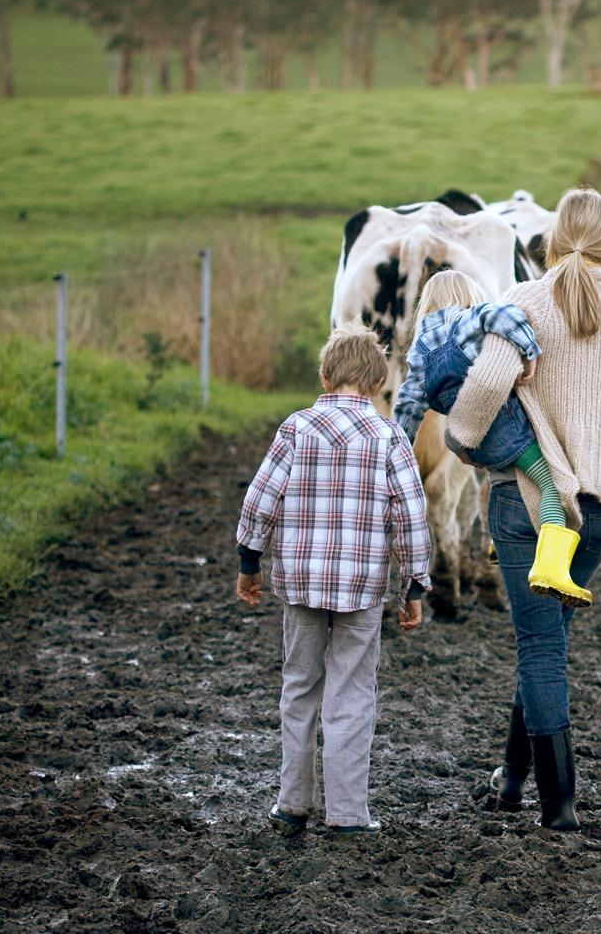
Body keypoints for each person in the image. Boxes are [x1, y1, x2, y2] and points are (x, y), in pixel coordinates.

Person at [447, 187, 601, 831]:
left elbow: (487, 384)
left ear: (552, 241)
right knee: (547, 639)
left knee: (539, 646)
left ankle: (558, 807)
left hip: (528, 505)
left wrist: (461, 438)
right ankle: (511, 782)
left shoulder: (524, 302)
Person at [234, 323, 432, 838]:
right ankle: (347, 813)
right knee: (352, 693)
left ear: (324, 375)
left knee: (299, 686)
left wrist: (249, 560)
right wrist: (414, 584)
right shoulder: (389, 435)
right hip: (363, 590)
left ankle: (291, 804)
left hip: (299, 585)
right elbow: (411, 514)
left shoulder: (295, 429)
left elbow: (260, 498)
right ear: (377, 382)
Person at [393, 271, 589, 606]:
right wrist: (530, 352)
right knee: (551, 485)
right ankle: (552, 568)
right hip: (504, 427)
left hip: (468, 441)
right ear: (467, 295)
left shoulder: (419, 350)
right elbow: (504, 314)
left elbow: (408, 405)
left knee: (510, 478)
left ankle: (503, 540)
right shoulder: (467, 319)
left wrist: (397, 449)